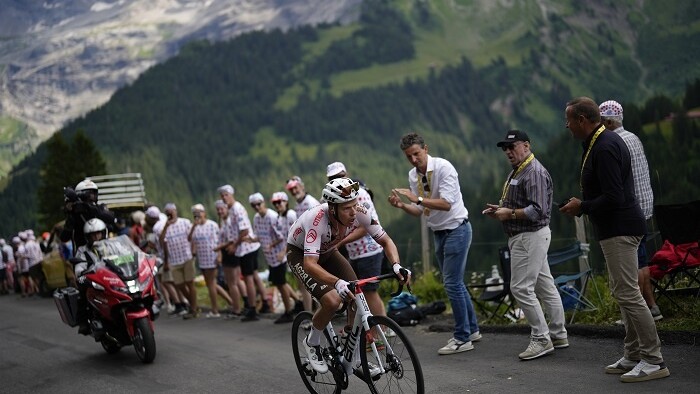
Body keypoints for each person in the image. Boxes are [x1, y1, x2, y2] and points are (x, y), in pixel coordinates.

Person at [560, 96, 669, 383]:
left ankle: (653, 359)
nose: (566, 126)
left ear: (582, 120)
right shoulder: (600, 141)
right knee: (624, 291)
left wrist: (581, 206)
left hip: (620, 227)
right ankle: (633, 353)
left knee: (629, 294)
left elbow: (614, 196)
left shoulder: (605, 146)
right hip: (616, 228)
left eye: (569, 120)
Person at [287, 177, 410, 374]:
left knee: (356, 293)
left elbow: (386, 241)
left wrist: (396, 265)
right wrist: (337, 283)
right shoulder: (317, 219)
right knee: (333, 301)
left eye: (354, 205)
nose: (353, 212)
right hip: (300, 254)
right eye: (346, 208)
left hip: (328, 251)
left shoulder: (360, 212)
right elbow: (310, 265)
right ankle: (312, 341)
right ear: (332, 208)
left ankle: (352, 354)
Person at [389, 132, 480, 355]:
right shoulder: (414, 175)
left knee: (452, 284)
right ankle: (473, 330)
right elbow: (420, 211)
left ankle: (462, 337)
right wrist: (401, 206)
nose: (413, 160)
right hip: (438, 232)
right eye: (408, 156)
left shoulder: (444, 168)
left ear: (426, 149)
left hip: (457, 228)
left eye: (416, 154)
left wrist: (416, 198)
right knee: (456, 283)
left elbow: (447, 204)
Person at [483, 130, 568, 360]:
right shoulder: (521, 170)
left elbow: (537, 210)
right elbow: (522, 205)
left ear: (527, 146)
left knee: (520, 288)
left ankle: (542, 338)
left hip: (530, 236)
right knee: (544, 285)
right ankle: (558, 334)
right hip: (527, 236)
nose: (508, 152)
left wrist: (508, 214)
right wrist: (500, 211)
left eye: (513, 146)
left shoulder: (534, 172)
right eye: (505, 148)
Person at [599, 100, 662, 323]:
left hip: (630, 208)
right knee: (642, 261)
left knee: (631, 264)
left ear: (607, 121)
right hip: (645, 205)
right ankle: (652, 308)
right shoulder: (633, 137)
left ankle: (635, 314)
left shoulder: (614, 142)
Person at [327, 162, 390, 330]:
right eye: (333, 178)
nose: (337, 180)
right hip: (354, 253)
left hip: (369, 251)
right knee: (353, 293)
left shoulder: (359, 194)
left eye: (340, 176)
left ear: (346, 174)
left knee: (369, 292)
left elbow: (365, 228)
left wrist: (340, 242)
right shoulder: (335, 198)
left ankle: (383, 330)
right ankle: (353, 331)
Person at [218, 184, 268, 322]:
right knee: (252, 277)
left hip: (246, 247)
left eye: (226, 195)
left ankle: (252, 309)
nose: (224, 198)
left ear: (231, 194)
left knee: (248, 279)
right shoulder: (232, 209)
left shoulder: (237, 208)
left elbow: (244, 230)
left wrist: (234, 245)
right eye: (222, 196)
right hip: (245, 247)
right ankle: (262, 303)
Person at [248, 193, 295, 324]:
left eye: (259, 204)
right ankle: (297, 301)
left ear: (263, 203)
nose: (257, 207)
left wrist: (275, 247)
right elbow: (259, 235)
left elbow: (282, 236)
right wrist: (251, 240)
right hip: (270, 257)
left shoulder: (272, 217)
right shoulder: (257, 218)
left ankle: (288, 311)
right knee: (280, 283)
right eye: (254, 205)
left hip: (279, 255)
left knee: (281, 284)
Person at [188, 203, 231, 318]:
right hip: (202, 259)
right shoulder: (195, 227)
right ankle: (230, 301)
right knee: (211, 284)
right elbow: (190, 239)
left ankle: (215, 310)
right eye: (195, 214)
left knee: (211, 284)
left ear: (204, 213)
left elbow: (219, 240)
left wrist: (219, 255)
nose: (197, 215)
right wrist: (193, 226)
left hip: (212, 256)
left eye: (199, 213)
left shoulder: (212, 225)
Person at [271, 191, 309, 315]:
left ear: (286, 202)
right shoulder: (280, 217)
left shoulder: (291, 215)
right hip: (293, 253)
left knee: (305, 285)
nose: (277, 205)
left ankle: (309, 314)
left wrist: (283, 252)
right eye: (275, 203)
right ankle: (307, 312)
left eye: (279, 202)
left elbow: (293, 235)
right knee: (302, 285)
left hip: (299, 251)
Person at [159, 203, 199, 319]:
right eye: (168, 212)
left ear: (176, 211)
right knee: (180, 285)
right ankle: (193, 304)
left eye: (172, 211)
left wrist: (193, 251)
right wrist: (166, 226)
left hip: (186, 257)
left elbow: (191, 237)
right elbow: (162, 242)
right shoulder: (165, 226)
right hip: (174, 260)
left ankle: (193, 309)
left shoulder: (185, 222)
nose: (170, 213)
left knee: (189, 283)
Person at [73, 218, 109, 334]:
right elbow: (79, 267)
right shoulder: (82, 251)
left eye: (98, 233)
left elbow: (125, 252)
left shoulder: (113, 245)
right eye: (92, 235)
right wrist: (82, 274)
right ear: (87, 237)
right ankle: (83, 321)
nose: (96, 237)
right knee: (83, 294)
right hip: (95, 280)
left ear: (103, 233)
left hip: (113, 277)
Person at [60, 179, 116, 251]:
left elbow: (111, 219)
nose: (92, 197)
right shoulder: (76, 214)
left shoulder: (100, 208)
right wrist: (71, 217)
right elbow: (64, 238)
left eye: (94, 193)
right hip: (83, 254)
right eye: (88, 194)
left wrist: (87, 207)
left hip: (104, 249)